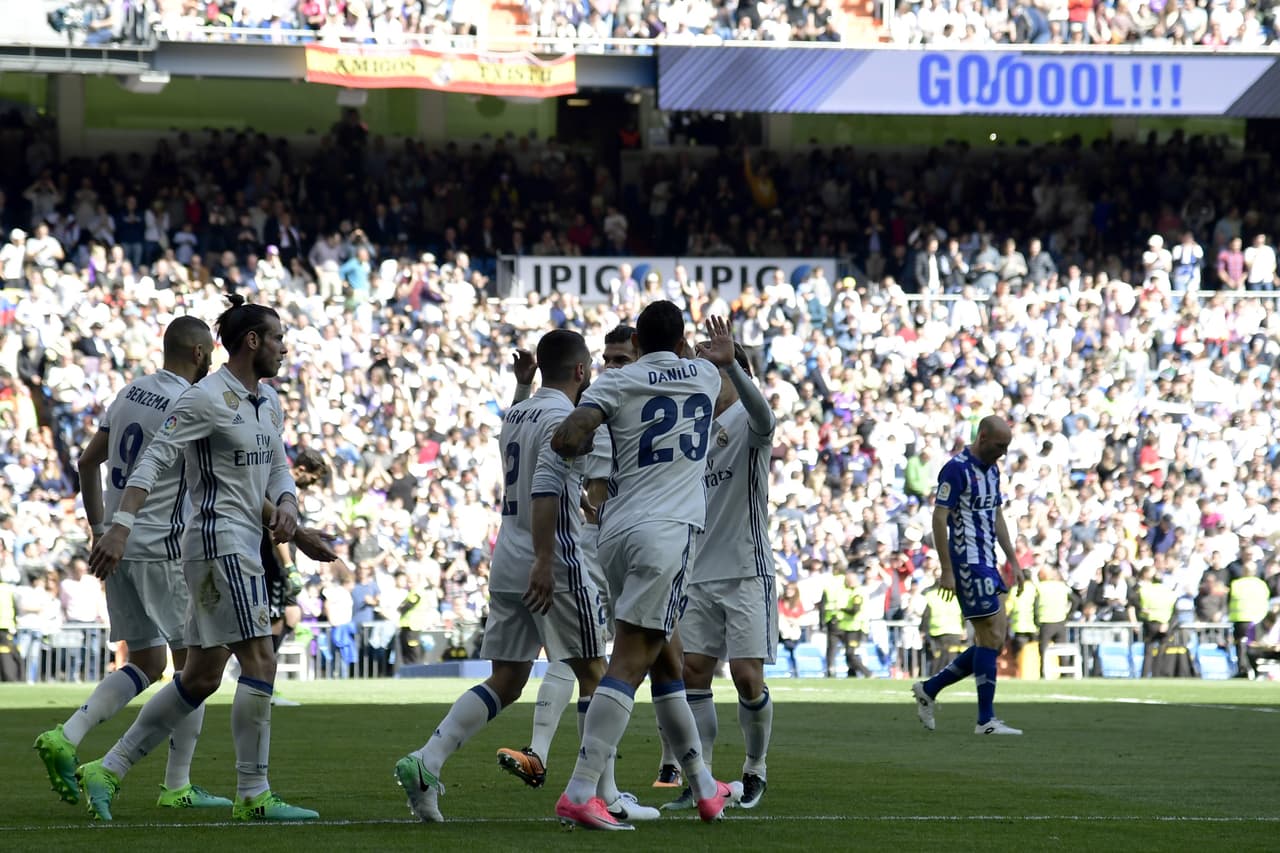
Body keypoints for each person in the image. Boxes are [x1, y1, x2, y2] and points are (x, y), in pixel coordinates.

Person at [78, 296, 318, 822]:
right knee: (260, 659)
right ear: (252, 341)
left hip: (242, 545)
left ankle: (107, 768)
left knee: (202, 676)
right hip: (216, 542)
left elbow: (278, 467)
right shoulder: (205, 399)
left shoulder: (267, 401)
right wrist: (118, 525)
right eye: (277, 338)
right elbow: (154, 458)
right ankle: (253, 794)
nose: (284, 348)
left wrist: (289, 508)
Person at [394, 329, 648, 824]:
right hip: (552, 558)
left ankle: (427, 760)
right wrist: (546, 559)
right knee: (595, 674)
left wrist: (521, 385)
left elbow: (528, 465)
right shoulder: (565, 418)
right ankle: (601, 794)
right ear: (581, 371)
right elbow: (546, 487)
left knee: (508, 679)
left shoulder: (518, 412)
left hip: (507, 556)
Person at [549, 302, 739, 830]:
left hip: (614, 533)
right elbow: (728, 399)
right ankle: (581, 791)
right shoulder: (704, 375)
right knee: (631, 658)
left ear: (637, 343)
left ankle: (704, 787)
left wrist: (583, 436)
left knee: (666, 660)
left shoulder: (617, 381)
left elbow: (567, 438)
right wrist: (720, 356)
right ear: (680, 342)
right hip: (669, 531)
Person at [33, 317, 233, 811]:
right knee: (195, 668)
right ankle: (177, 785)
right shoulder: (190, 401)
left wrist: (100, 530)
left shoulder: (130, 392)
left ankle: (66, 735)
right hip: (162, 546)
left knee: (147, 662)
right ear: (200, 353)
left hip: (115, 545)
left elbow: (86, 462)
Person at [496, 326, 650, 797]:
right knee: (586, 656)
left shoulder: (633, 406)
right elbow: (550, 465)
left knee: (638, 655)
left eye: (623, 359)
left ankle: (673, 766)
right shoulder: (590, 410)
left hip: (624, 538)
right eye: (609, 359)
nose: (613, 367)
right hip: (589, 542)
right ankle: (591, 784)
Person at [656, 326, 778, 812]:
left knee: (747, 677)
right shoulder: (693, 430)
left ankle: (754, 768)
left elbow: (766, 417)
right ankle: (702, 778)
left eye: (716, 371)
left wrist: (731, 367)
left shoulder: (749, 419)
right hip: (698, 571)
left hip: (746, 567)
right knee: (694, 673)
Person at [911, 416, 1024, 736]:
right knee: (990, 636)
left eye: (1007, 447)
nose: (1003, 452)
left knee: (995, 638)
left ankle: (930, 689)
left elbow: (997, 514)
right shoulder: (956, 469)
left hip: (988, 560)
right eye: (1000, 446)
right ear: (983, 437)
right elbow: (939, 518)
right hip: (968, 562)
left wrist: (1013, 559)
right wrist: (947, 569)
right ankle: (985, 720)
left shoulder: (993, 471)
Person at [1228, 564, 1270, 677]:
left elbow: (1229, 599)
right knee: (1254, 645)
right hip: (1258, 619)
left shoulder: (1237, 584)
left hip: (1241, 619)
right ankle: (1256, 669)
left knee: (1241, 644)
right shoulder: (1261, 584)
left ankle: (1243, 670)